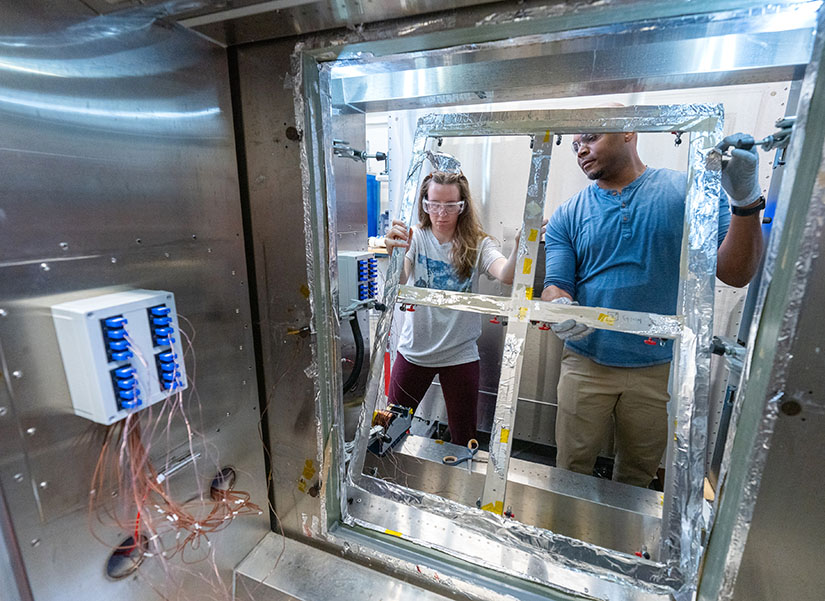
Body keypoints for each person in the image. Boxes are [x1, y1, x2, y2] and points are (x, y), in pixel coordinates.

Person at [540, 130, 764, 487]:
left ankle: (627, 543)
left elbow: (737, 273)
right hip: (586, 362)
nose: (581, 149)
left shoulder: (687, 194)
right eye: (575, 144)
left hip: (657, 368)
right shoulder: (568, 214)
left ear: (630, 132)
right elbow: (556, 285)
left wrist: (746, 201)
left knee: (638, 475)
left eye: (592, 137)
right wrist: (558, 308)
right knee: (571, 469)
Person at [384, 170, 521, 445]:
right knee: (390, 429)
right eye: (433, 204)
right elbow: (401, 281)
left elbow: (505, 274)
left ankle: (461, 487)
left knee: (464, 439)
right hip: (415, 351)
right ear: (424, 204)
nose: (441, 213)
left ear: (463, 206)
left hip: (459, 354)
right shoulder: (416, 238)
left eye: (450, 206)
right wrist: (394, 253)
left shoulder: (478, 243)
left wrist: (521, 246)